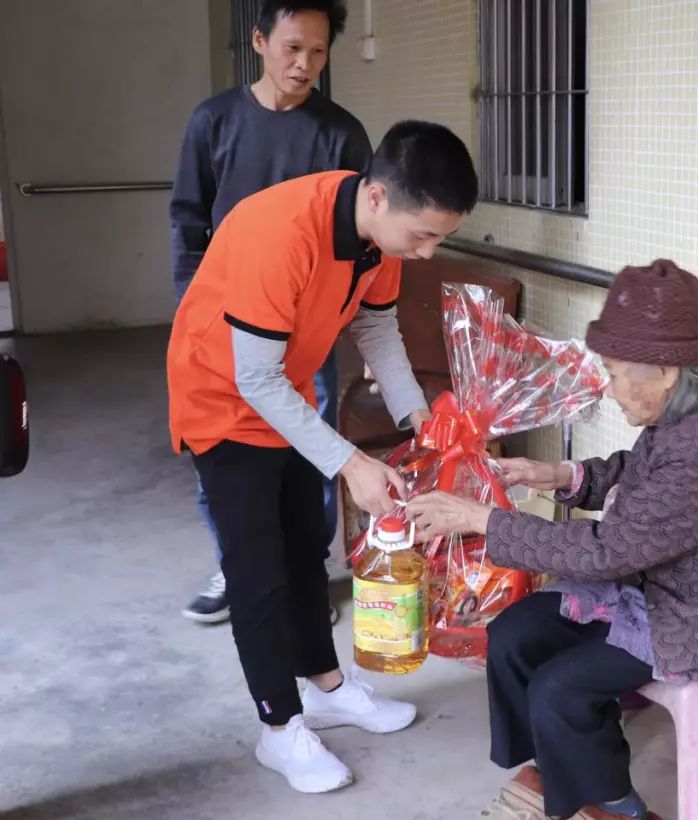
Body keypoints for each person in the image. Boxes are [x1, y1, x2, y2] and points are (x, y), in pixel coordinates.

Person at [407, 260, 698, 820]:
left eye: (616, 373)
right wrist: (562, 475)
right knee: (514, 636)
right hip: (662, 579)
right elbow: (640, 476)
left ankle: (616, 808)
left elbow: (606, 553)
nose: (609, 386)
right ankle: (556, 772)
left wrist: (482, 520)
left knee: (560, 688)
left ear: (666, 371)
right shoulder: (687, 416)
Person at [167, 121, 478, 793]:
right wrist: (350, 462)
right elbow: (253, 378)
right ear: (377, 196)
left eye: (439, 239)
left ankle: (327, 687)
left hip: (286, 395)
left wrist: (419, 418)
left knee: (306, 547)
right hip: (223, 401)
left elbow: (376, 326)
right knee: (258, 571)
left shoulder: (378, 236)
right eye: (422, 235)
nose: (426, 252)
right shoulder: (280, 234)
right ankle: (279, 729)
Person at [171, 0, 371, 624]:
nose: (305, 63)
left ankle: (303, 578)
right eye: (292, 47)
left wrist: (355, 329)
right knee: (222, 455)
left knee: (310, 451)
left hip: (307, 331)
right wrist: (189, 315)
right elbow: (188, 222)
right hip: (223, 326)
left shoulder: (340, 133)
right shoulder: (214, 121)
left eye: (318, 51)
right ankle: (238, 567)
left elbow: (359, 236)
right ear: (259, 41)